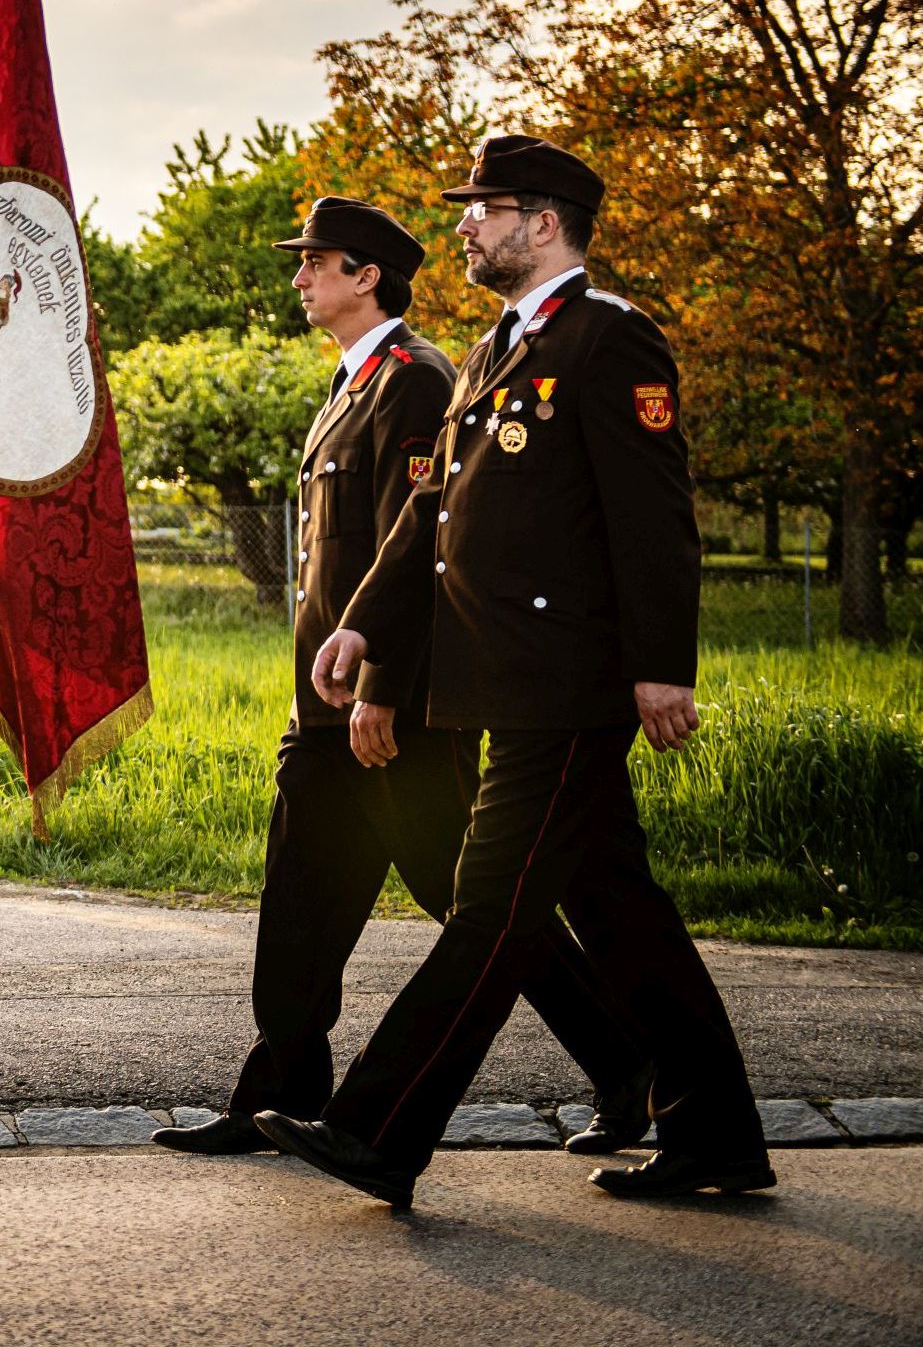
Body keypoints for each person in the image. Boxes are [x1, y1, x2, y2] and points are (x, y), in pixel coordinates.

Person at [259, 136, 772, 1208]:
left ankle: (379, 1128)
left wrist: (660, 667)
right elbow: (430, 514)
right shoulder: (497, 346)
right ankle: (715, 1131)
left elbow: (655, 523)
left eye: (484, 207)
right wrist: (364, 626)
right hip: (507, 683)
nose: (464, 225)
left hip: (571, 685)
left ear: (543, 222)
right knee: (621, 906)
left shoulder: (608, 340)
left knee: (489, 908)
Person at [153, 196, 646, 1159]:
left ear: (366, 275)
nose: (299, 279)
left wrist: (381, 681)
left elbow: (419, 552)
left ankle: (630, 1065)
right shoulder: (351, 385)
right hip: (323, 707)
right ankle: (274, 1094)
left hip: (391, 715)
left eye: (315, 263)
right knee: (300, 900)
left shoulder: (414, 381)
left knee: (480, 911)